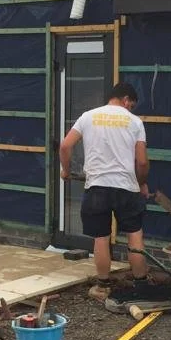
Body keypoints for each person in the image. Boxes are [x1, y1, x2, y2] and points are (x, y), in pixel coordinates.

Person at [59, 82, 149, 287]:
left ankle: (103, 284)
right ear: (126, 100)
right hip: (127, 187)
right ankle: (141, 283)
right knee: (134, 234)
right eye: (131, 105)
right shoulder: (135, 122)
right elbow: (142, 162)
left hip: (97, 187)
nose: (131, 109)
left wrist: (65, 170)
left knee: (101, 237)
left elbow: (65, 145)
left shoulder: (87, 117)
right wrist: (142, 183)